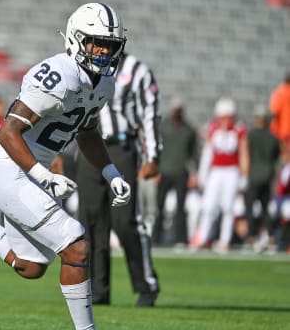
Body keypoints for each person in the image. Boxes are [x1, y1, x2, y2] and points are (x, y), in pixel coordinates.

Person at [0, 3, 131, 329]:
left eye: (109, 45)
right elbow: (8, 132)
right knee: (76, 246)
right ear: (75, 39)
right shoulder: (59, 75)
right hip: (11, 171)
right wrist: (44, 175)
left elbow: (87, 133)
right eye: (95, 42)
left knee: (31, 267)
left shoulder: (103, 84)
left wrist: (111, 173)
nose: (102, 51)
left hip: (33, 174)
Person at [75, 50, 162, 307]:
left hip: (121, 148)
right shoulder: (78, 67)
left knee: (125, 221)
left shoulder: (137, 70)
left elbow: (151, 113)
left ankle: (146, 285)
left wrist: (153, 156)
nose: (101, 48)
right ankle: (98, 291)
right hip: (87, 148)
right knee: (90, 221)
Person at [190, 97, 249, 253]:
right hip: (216, 171)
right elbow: (207, 153)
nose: (224, 121)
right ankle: (203, 237)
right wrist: (203, 173)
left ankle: (224, 240)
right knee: (209, 206)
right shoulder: (214, 128)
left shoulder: (239, 130)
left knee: (228, 207)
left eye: (227, 117)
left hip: (232, 171)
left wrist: (244, 176)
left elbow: (243, 154)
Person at [155, 97, 198, 246]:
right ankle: (156, 238)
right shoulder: (163, 127)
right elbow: (157, 150)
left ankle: (181, 239)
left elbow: (194, 154)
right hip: (164, 171)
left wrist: (194, 173)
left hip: (181, 172)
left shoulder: (188, 129)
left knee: (181, 207)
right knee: (159, 207)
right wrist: (156, 170)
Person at [244, 105, 279, 252]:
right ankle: (270, 236)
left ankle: (251, 236)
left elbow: (247, 155)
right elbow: (276, 157)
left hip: (254, 174)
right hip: (267, 175)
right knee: (266, 209)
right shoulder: (273, 138)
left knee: (250, 207)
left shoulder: (251, 135)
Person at [269, 73, 290, 159]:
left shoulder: (279, 92)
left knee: (284, 155)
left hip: (282, 131)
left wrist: (274, 129)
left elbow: (274, 112)